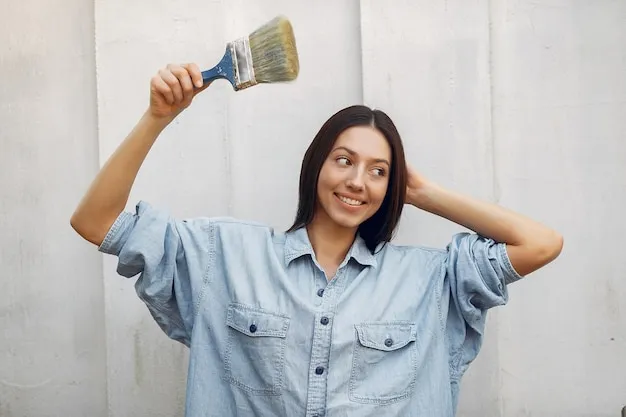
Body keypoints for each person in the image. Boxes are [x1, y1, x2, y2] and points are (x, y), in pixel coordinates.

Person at [70, 63, 563, 417]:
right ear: (316, 165)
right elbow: (97, 222)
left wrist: (422, 192)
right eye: (344, 160)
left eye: (379, 171)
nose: (357, 181)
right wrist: (158, 117)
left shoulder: (431, 282)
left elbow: (541, 244)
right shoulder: (223, 257)